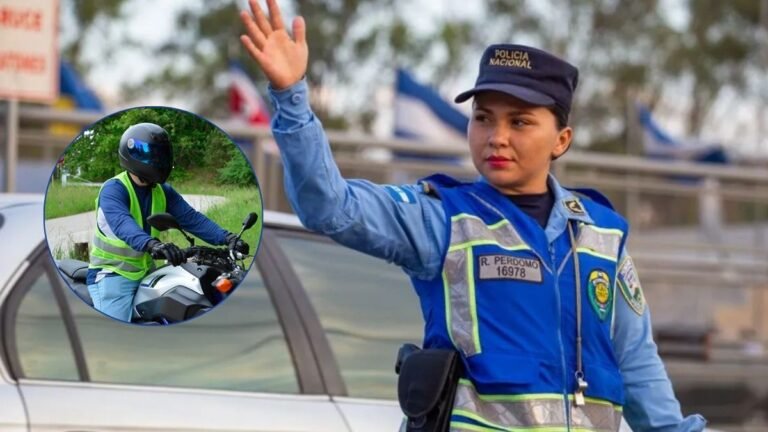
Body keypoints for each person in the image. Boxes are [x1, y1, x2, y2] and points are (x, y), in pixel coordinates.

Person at [239, 1, 707, 430]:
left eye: (519, 122)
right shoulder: (442, 219)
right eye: (483, 118)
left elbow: (636, 362)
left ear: (561, 140)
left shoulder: (602, 233)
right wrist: (291, 93)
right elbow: (329, 206)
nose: (496, 137)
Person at [86, 122, 249, 323]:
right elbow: (122, 223)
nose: (159, 160)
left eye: (162, 155)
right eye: (154, 155)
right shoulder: (114, 189)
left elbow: (191, 218)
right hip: (112, 275)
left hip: (146, 271)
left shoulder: (162, 190)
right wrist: (153, 244)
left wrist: (227, 237)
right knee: (117, 337)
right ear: (133, 155)